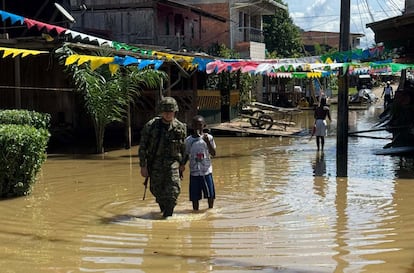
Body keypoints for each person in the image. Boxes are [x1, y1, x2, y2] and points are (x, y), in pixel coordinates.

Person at [138, 97, 187, 218]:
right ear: (161, 112)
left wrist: (182, 164)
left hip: (173, 163)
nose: (168, 114)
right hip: (155, 163)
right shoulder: (151, 126)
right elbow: (143, 147)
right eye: (166, 112)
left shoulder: (180, 127)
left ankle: (167, 217)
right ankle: (164, 212)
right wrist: (143, 166)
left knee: (173, 191)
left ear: (175, 112)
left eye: (171, 112)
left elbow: (184, 148)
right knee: (157, 191)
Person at [184, 115, 216, 211]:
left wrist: (207, 142)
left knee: (210, 195)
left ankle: (210, 211)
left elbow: (213, 153)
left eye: (200, 125)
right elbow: (186, 154)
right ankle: (195, 212)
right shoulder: (189, 140)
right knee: (195, 197)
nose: (197, 127)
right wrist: (181, 167)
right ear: (192, 126)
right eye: (195, 125)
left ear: (204, 126)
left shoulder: (209, 138)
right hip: (194, 172)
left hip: (206, 171)